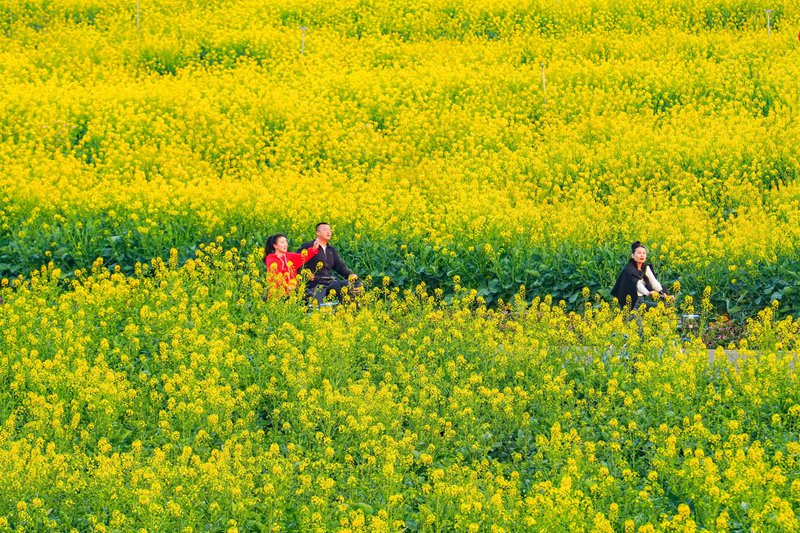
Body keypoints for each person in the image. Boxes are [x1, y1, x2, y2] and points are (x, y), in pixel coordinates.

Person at [298, 222, 361, 304]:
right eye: (325, 230)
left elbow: (339, 266)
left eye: (330, 230)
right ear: (318, 233)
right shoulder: (309, 246)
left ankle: (354, 307)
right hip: (316, 283)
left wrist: (350, 275)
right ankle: (346, 305)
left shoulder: (331, 249)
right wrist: (306, 274)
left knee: (356, 282)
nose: (328, 232)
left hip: (330, 282)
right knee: (337, 285)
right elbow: (297, 261)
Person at [612, 241, 671, 309]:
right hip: (630, 303)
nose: (642, 255)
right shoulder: (629, 269)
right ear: (633, 255)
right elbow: (637, 284)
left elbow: (654, 282)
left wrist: (664, 293)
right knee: (637, 319)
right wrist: (648, 293)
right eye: (639, 253)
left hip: (641, 300)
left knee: (662, 308)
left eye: (644, 253)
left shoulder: (645, 267)